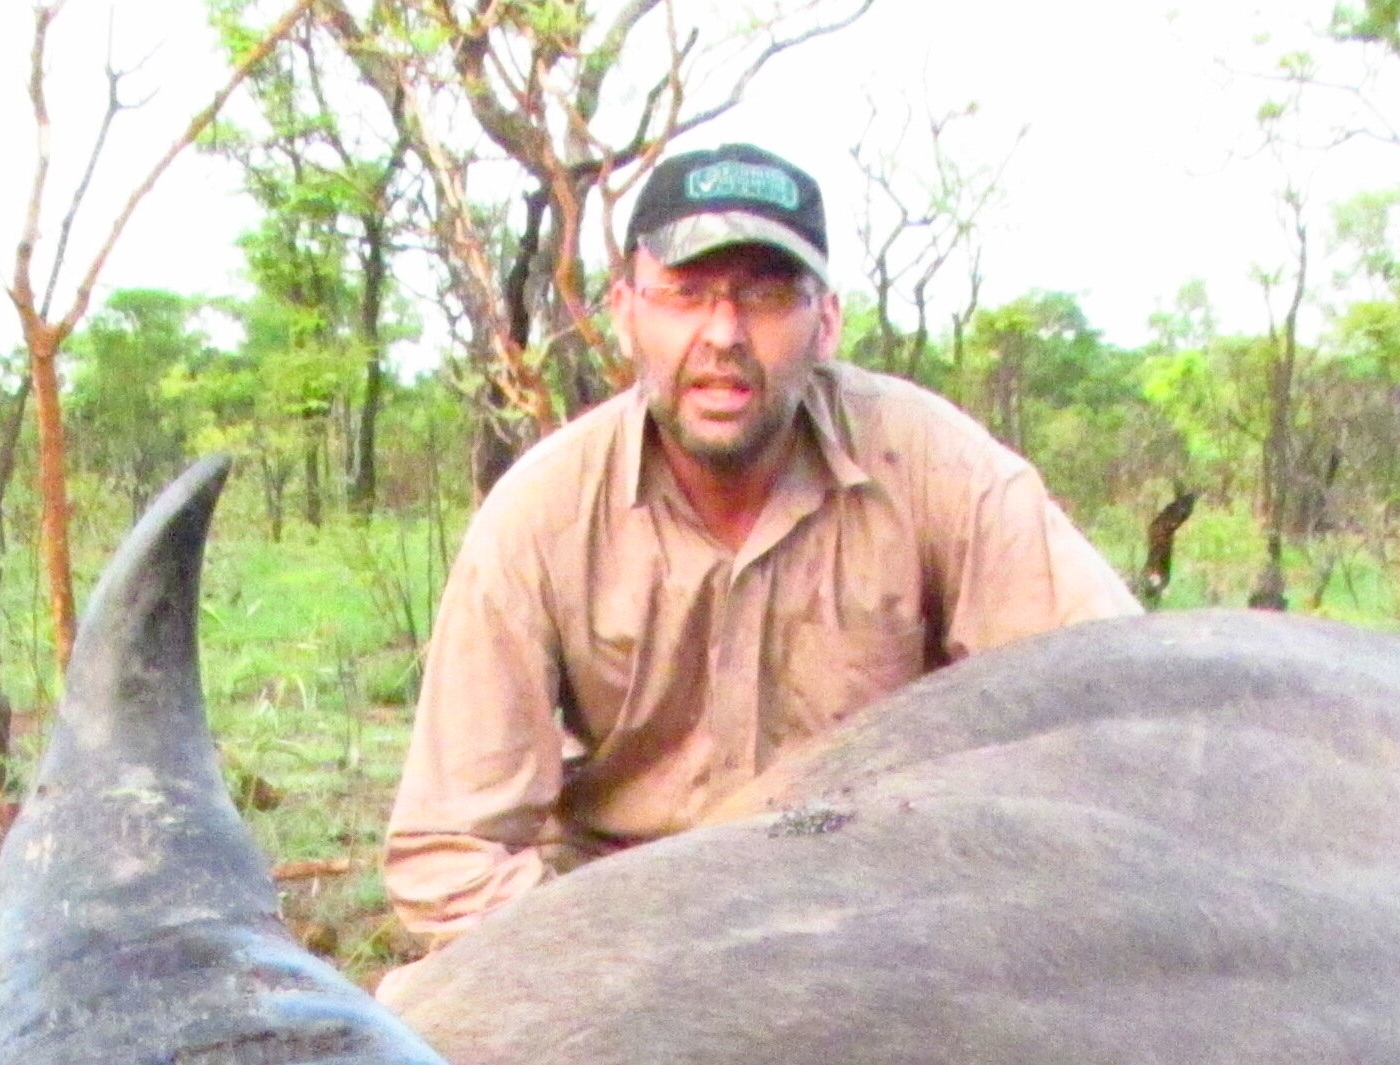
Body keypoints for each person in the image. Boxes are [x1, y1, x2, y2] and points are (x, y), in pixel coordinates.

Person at [382, 141, 1135, 950]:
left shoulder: (937, 464)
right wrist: (608, 960)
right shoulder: (542, 512)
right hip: (624, 926)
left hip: (888, 914)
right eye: (685, 294)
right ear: (626, 310)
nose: (723, 333)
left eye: (766, 296)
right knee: (429, 1025)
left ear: (827, 322)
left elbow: (1115, 695)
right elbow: (448, 851)